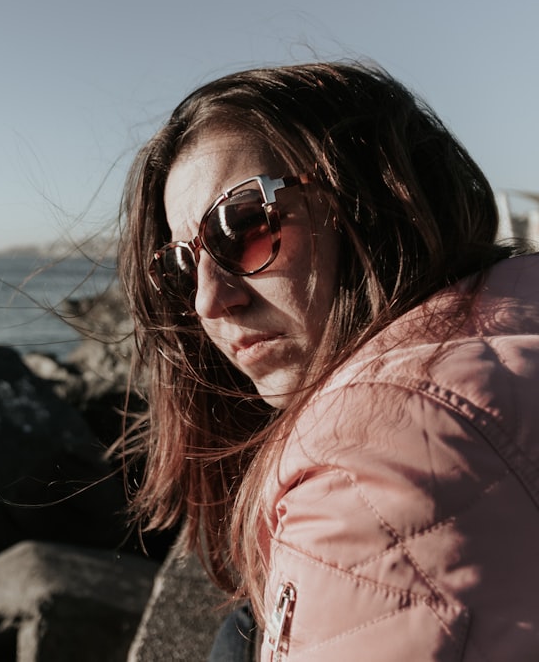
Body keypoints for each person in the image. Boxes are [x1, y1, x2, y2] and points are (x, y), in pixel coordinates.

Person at [117, 61, 539, 660]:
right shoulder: (516, 308)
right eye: (181, 267)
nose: (209, 300)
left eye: (246, 226)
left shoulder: (374, 458)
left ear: (372, 198)